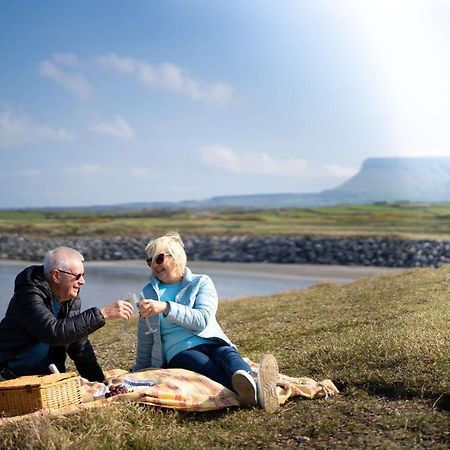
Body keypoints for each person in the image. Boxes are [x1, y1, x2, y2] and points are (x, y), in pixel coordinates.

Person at [133, 231, 280, 412]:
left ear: (176, 256)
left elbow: (201, 320)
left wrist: (165, 307)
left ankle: (252, 386)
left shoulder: (201, 282)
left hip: (212, 340)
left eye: (159, 258)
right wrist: (138, 371)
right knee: (208, 368)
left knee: (230, 357)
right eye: (149, 261)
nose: (154, 265)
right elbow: (145, 335)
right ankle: (259, 392)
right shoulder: (148, 293)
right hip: (179, 351)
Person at [0, 246, 133, 382]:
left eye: (83, 275)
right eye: (77, 276)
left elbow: (79, 346)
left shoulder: (71, 298)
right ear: (56, 276)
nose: (82, 281)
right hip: (9, 378)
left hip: (47, 380)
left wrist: (100, 383)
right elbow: (54, 333)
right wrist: (102, 314)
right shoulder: (28, 295)